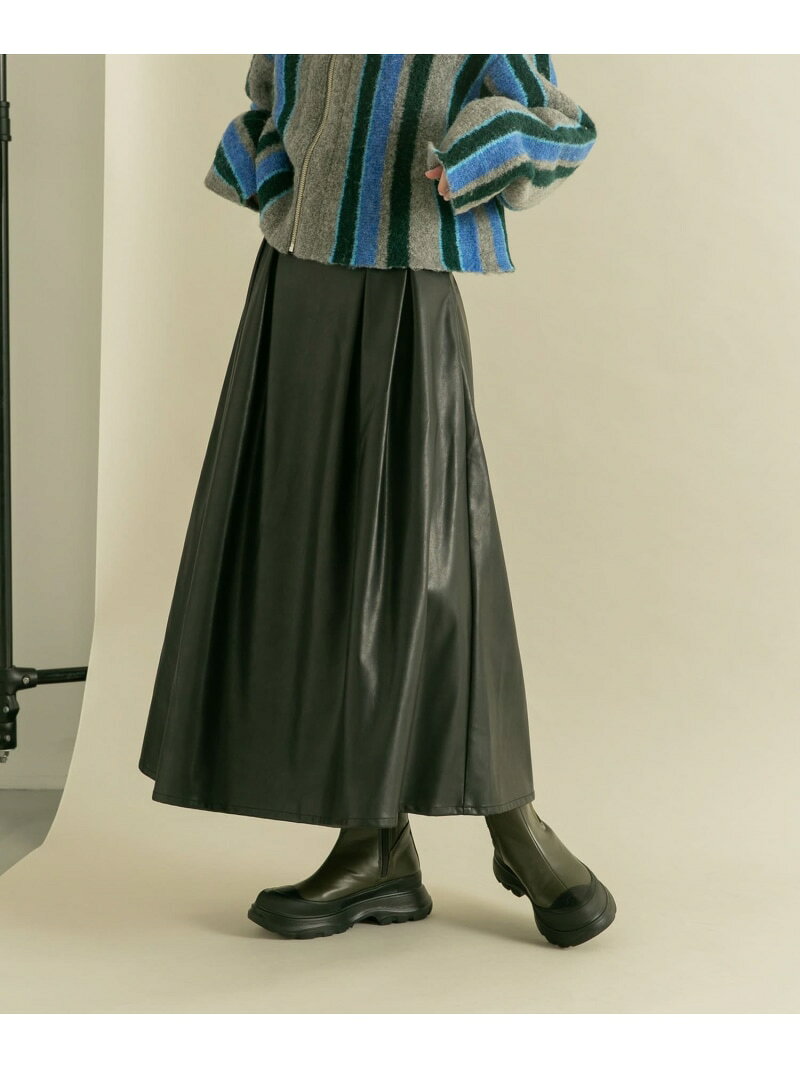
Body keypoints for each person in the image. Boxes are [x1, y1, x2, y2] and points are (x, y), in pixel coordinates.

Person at [138, 54, 616, 947]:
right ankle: (376, 845)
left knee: (432, 564)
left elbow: (561, 123)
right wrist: (284, 186)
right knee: (310, 558)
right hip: (293, 281)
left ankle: (512, 817)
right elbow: (266, 105)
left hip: (404, 282)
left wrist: (473, 154)